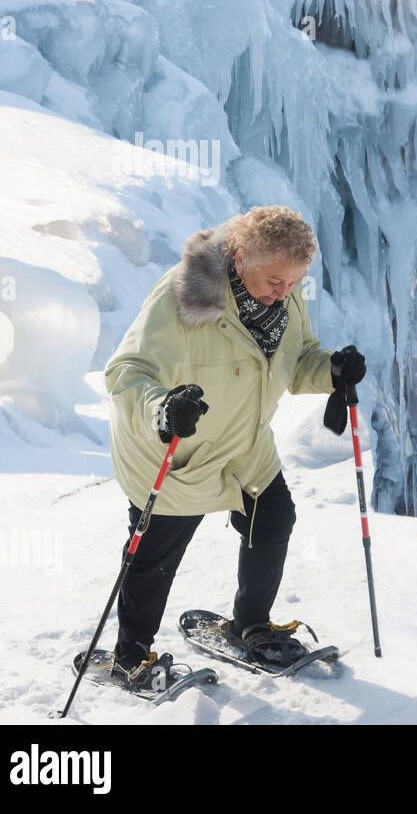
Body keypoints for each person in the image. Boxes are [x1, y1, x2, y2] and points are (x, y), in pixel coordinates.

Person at [103, 205, 365, 689]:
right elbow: (126, 372)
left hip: (245, 444)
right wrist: (161, 410)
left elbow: (298, 358)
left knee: (273, 518)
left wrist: (331, 370)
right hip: (177, 450)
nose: (284, 294)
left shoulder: (284, 295)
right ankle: (130, 656)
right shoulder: (184, 295)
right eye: (275, 281)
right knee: (156, 556)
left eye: (293, 284)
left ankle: (250, 624)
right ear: (241, 258)